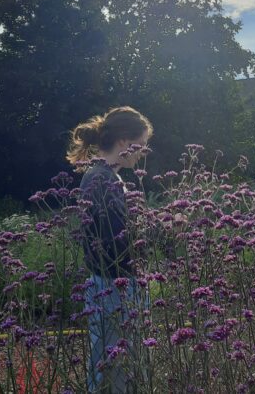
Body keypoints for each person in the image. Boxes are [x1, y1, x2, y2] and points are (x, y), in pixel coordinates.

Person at [66, 106, 153, 393]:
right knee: (113, 369)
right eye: (142, 144)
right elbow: (118, 241)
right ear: (125, 142)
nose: (143, 152)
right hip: (112, 287)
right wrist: (159, 231)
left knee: (116, 367)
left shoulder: (105, 177)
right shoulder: (102, 180)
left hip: (113, 284)